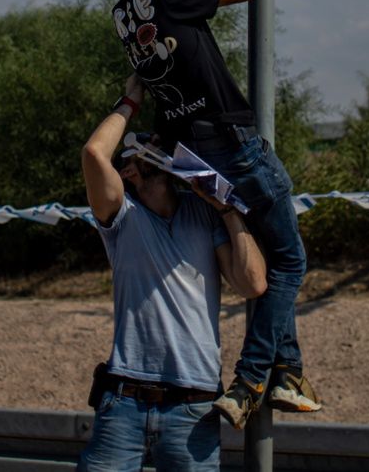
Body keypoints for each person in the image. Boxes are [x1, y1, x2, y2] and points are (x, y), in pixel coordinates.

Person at [98, 0, 322, 429]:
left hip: (191, 154)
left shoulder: (132, 10)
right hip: (232, 142)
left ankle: (289, 372)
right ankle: (251, 381)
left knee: (266, 250)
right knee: (289, 263)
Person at [78, 77, 267, 472]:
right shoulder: (122, 217)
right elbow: (95, 154)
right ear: (130, 171)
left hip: (193, 409)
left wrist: (228, 210)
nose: (158, 153)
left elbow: (252, 284)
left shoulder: (203, 214)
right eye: (143, 151)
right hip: (124, 402)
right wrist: (131, 100)